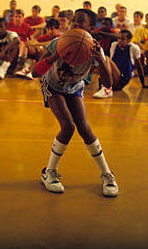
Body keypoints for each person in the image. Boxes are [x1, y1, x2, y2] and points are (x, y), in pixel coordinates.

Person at [32, 10, 118, 197]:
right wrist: (55, 56)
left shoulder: (95, 49)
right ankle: (49, 172)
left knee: (85, 129)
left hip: (74, 87)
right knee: (68, 126)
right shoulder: (58, 42)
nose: (75, 24)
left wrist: (99, 60)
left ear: (90, 27)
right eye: (74, 21)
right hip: (52, 86)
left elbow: (109, 83)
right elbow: (34, 72)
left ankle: (107, 174)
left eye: (81, 22)